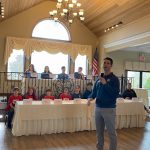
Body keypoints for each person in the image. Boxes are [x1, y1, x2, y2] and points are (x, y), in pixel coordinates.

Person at [87, 57, 120, 150]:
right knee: (99, 132)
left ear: (111, 65)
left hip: (109, 109)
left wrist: (106, 84)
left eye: (108, 63)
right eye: (104, 63)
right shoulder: (98, 79)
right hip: (98, 108)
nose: (105, 65)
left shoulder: (114, 79)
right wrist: (90, 98)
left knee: (111, 133)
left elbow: (115, 94)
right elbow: (94, 93)